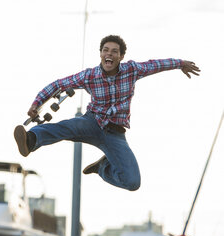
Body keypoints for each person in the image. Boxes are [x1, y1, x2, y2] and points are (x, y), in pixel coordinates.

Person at [14, 35, 200, 191]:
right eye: (105, 50)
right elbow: (58, 84)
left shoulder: (132, 70)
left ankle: (103, 167)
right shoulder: (89, 76)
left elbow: (155, 65)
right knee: (66, 127)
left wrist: (180, 63)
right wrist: (36, 104)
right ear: (101, 54)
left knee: (133, 182)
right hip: (92, 123)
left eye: (114, 51)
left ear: (121, 56)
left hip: (115, 134)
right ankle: (31, 140)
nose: (109, 54)